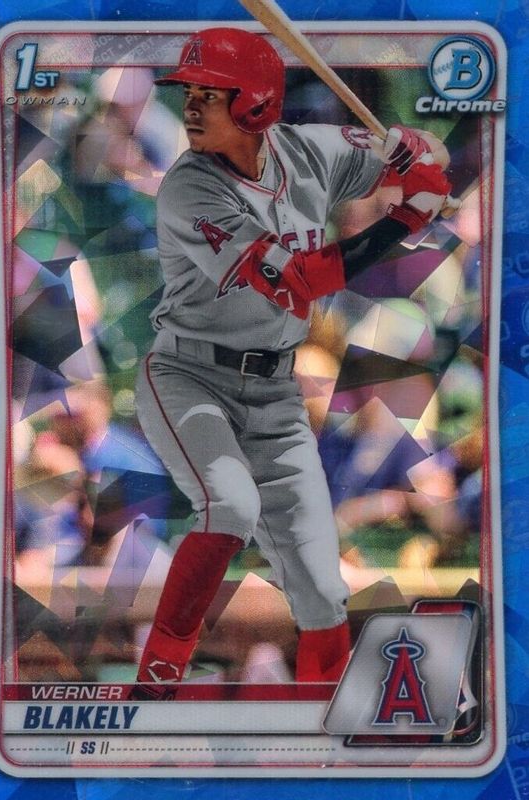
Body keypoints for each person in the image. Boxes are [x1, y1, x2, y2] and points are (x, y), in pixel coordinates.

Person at [132, 27, 451, 698]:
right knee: (230, 505)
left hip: (276, 388)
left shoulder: (312, 150)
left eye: (209, 94)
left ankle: (321, 720)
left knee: (321, 587)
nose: (190, 107)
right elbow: (298, 282)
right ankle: (153, 686)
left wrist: (417, 155)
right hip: (190, 375)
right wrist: (406, 219)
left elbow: (426, 151)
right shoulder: (189, 189)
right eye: (188, 94)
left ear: (253, 104)